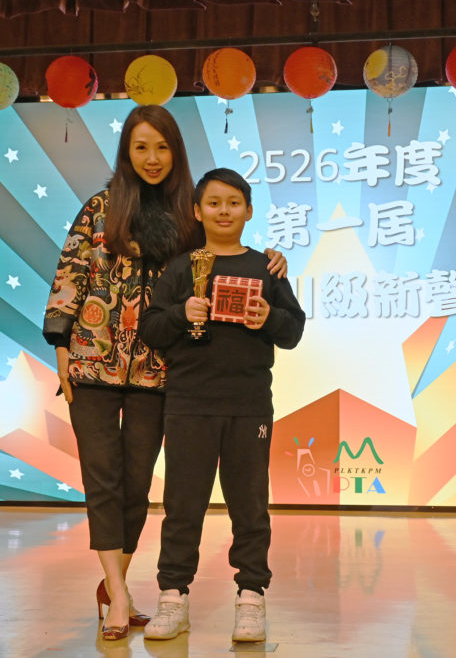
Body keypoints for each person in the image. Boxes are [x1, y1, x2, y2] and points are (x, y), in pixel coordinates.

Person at [43, 108, 287, 642]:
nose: (152, 158)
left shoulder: (187, 216)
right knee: (102, 478)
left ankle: (120, 586)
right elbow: (71, 272)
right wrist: (60, 344)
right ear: (126, 153)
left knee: (136, 483)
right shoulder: (101, 207)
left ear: (176, 152)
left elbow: (224, 255)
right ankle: (118, 594)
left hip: (159, 371)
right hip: (92, 360)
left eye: (162, 147)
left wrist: (271, 261)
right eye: (140, 147)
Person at [138, 168, 306, 643]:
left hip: (249, 405)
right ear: (197, 211)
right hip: (188, 403)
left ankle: (251, 597)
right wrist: (180, 314)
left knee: (249, 505)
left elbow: (293, 331)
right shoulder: (181, 268)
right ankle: (173, 597)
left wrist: (268, 317)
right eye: (213, 203)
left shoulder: (268, 268)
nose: (224, 211)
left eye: (234, 203)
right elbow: (151, 329)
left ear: (249, 211)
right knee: (182, 505)